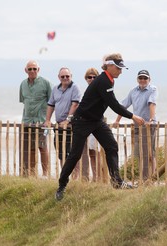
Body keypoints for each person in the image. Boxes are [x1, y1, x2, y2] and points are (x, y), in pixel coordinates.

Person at [55, 53, 145, 201]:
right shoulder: (103, 81)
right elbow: (114, 105)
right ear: (109, 66)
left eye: (122, 68)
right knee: (75, 155)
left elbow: (109, 103)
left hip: (96, 120)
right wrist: (133, 116)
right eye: (118, 68)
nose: (121, 71)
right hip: (82, 121)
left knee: (111, 146)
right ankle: (61, 185)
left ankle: (117, 182)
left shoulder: (109, 80)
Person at [113, 69, 158, 180]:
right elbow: (123, 106)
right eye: (141, 78)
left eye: (145, 78)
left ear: (149, 79)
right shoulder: (133, 91)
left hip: (149, 126)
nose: (143, 80)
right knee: (140, 153)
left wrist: (151, 120)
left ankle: (151, 178)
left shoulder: (153, 89)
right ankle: (145, 178)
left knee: (149, 153)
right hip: (138, 126)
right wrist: (117, 120)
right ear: (137, 79)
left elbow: (152, 104)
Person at [19, 60, 52, 177]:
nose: (32, 71)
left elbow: (52, 102)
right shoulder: (23, 84)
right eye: (30, 69)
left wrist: (48, 119)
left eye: (34, 69)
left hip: (41, 121)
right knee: (30, 148)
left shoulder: (46, 83)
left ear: (38, 70)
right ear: (26, 70)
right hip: (27, 122)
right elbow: (24, 101)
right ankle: (32, 174)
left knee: (42, 147)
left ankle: (45, 174)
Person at [44, 67, 81, 169]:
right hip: (59, 125)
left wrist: (67, 120)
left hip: (71, 126)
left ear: (71, 76)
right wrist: (47, 120)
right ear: (59, 77)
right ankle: (64, 174)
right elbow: (51, 105)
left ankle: (75, 177)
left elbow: (75, 105)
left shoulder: (75, 88)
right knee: (61, 152)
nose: (65, 78)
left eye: (67, 76)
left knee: (72, 153)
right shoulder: (55, 89)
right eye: (63, 76)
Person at [73, 68, 101, 181]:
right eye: (90, 77)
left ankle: (97, 176)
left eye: (94, 77)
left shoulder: (99, 90)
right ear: (86, 79)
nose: (92, 79)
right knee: (89, 152)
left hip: (95, 123)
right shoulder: (86, 91)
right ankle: (92, 176)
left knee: (95, 151)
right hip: (85, 124)